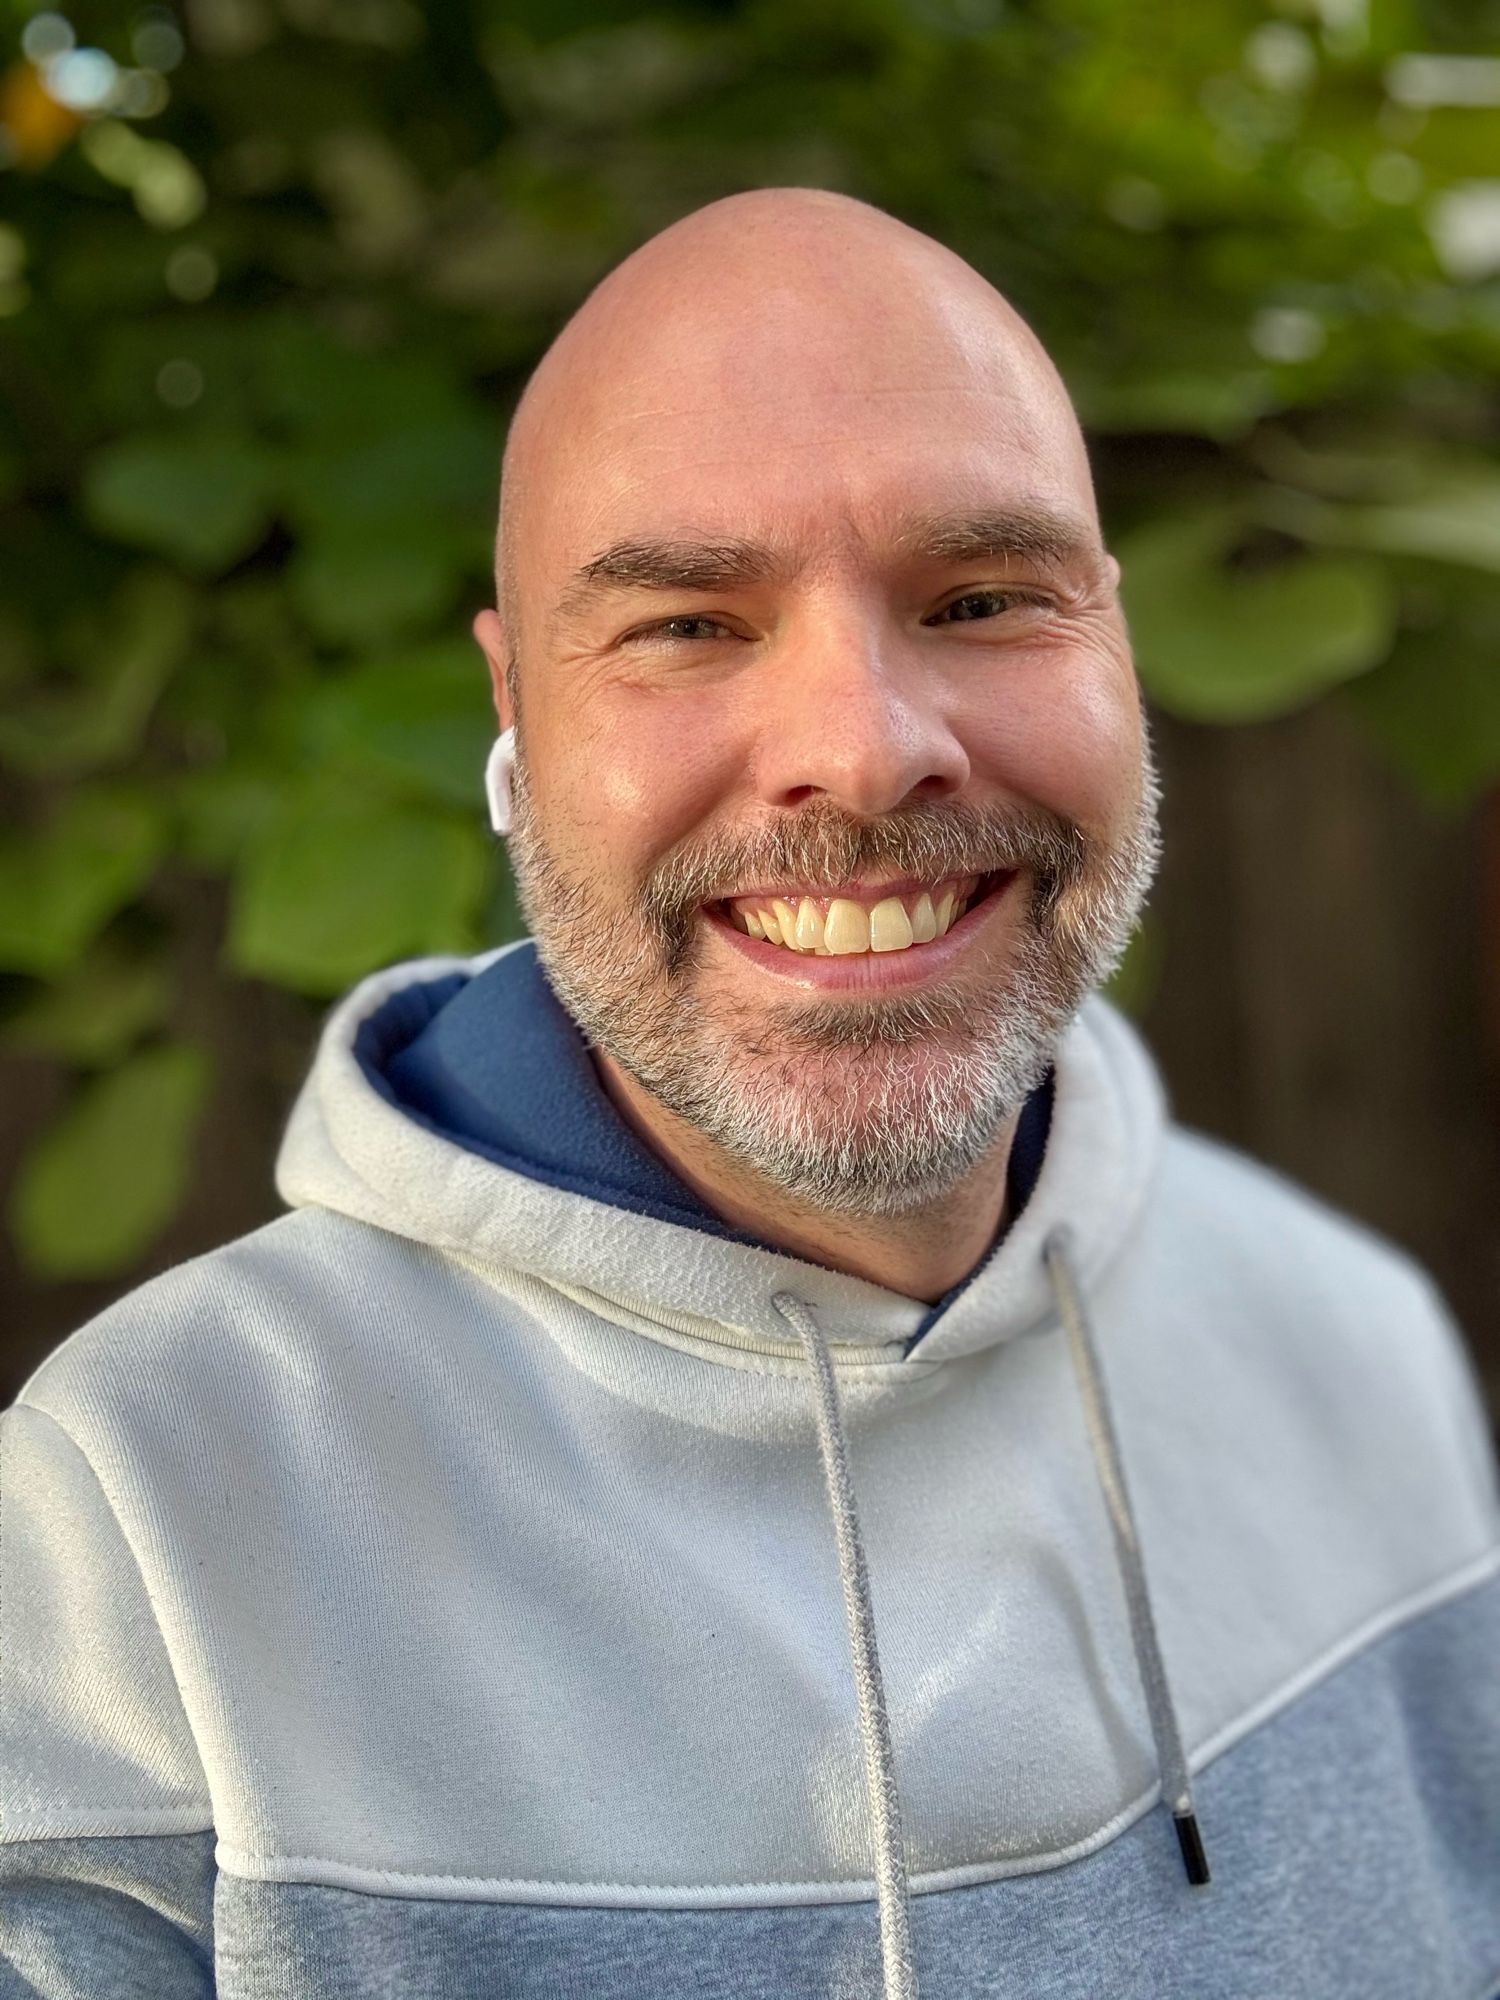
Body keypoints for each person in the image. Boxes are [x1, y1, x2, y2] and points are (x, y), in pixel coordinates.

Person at [2, 188, 1497, 2000]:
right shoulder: (137, 1532)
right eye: (692, 626)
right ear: (517, 717)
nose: (863, 748)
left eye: (981, 597)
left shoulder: (1351, 1339)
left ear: (1114, 636)